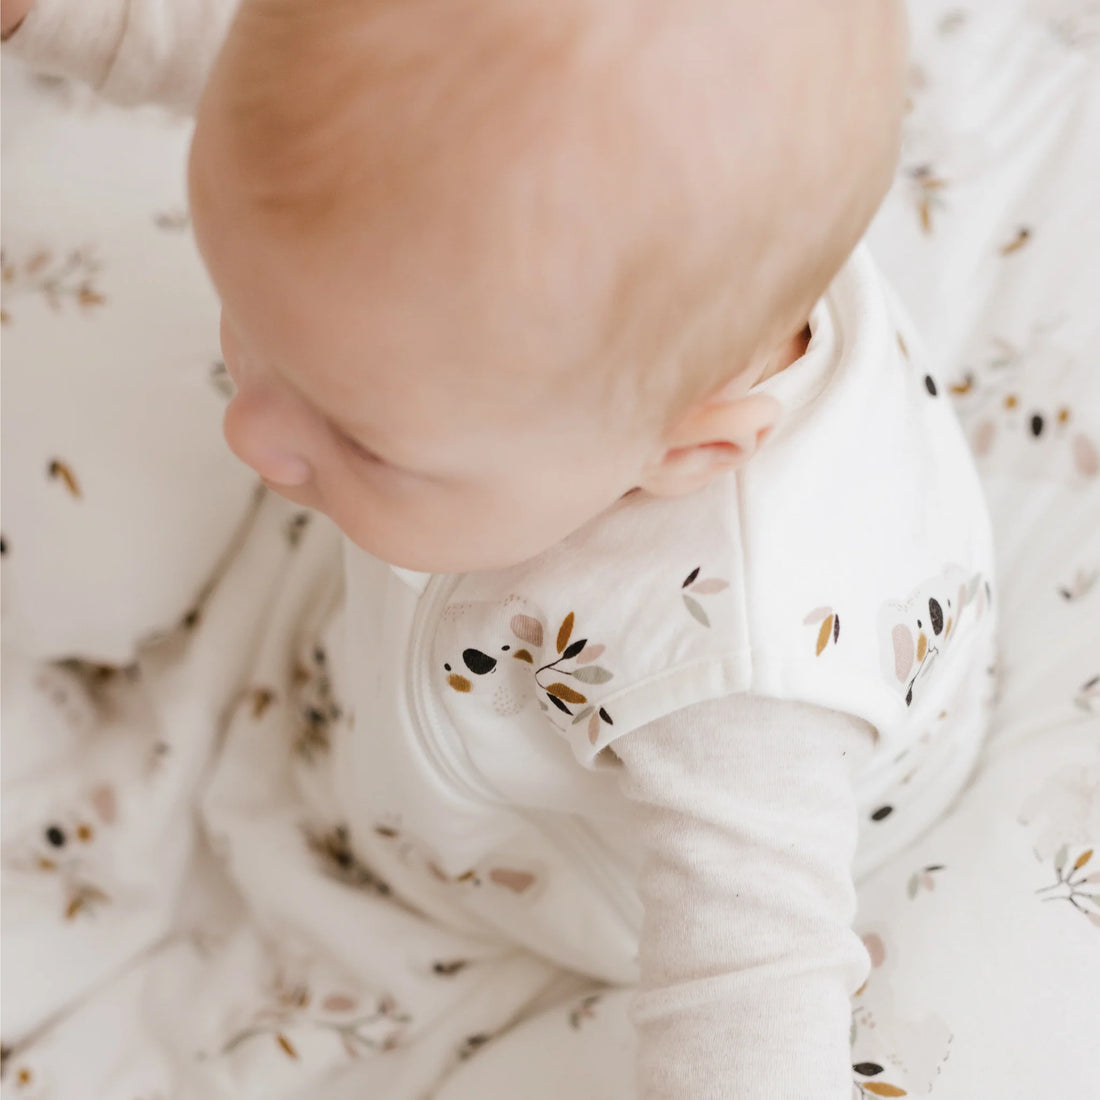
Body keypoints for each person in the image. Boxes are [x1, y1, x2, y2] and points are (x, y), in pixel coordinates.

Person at [2, 0, 997, 1094]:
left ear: (686, 450)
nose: (248, 430)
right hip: (424, 684)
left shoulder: (739, 690)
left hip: (566, 883)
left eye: (359, 438)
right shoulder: (604, 248)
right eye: (248, 324)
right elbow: (270, 75)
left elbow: (755, 992)